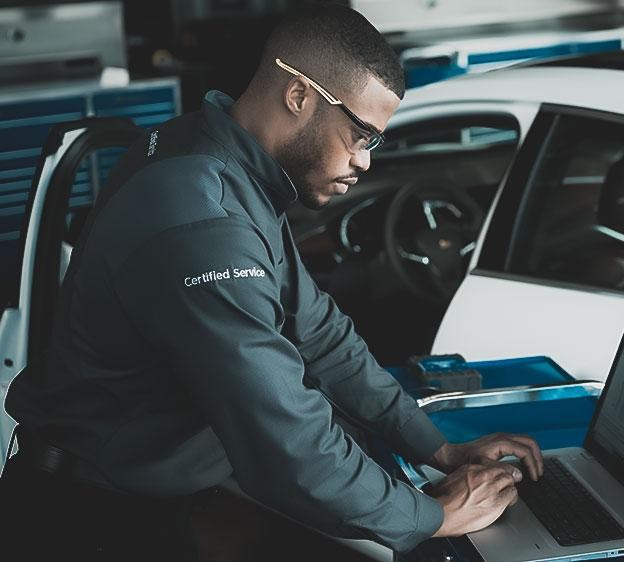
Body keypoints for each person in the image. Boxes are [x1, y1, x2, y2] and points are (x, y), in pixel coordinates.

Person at [0, 3, 542, 560]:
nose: (365, 162)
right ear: (300, 95)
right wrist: (432, 516)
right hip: (91, 521)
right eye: (360, 135)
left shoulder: (218, 162)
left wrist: (439, 449)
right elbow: (285, 437)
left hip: (156, 492)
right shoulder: (202, 220)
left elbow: (322, 337)